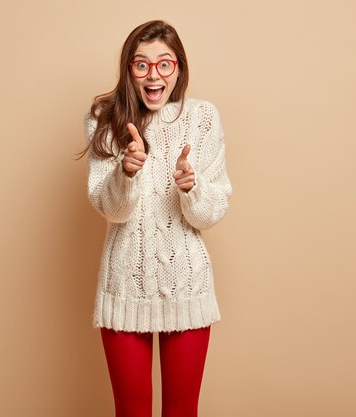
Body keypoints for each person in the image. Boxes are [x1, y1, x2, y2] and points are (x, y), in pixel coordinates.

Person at [81, 20, 232, 417]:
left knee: (182, 412)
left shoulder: (203, 118)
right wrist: (125, 174)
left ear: (179, 68)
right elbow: (111, 209)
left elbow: (211, 212)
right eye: (141, 64)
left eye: (165, 64)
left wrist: (191, 187)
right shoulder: (103, 119)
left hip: (187, 284)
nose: (154, 75)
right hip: (124, 286)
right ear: (128, 69)